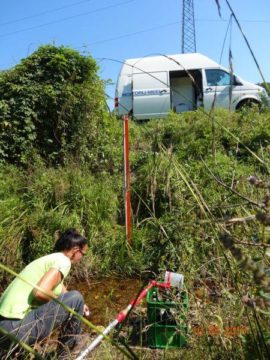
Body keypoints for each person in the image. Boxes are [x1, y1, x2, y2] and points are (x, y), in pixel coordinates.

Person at [0, 228, 90, 358]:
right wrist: (75, 302)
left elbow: (62, 291)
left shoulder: (51, 259)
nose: (82, 257)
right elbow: (40, 292)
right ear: (76, 251)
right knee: (77, 297)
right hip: (15, 329)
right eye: (83, 254)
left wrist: (78, 306)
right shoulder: (63, 261)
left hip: (3, 330)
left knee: (75, 300)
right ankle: (66, 352)